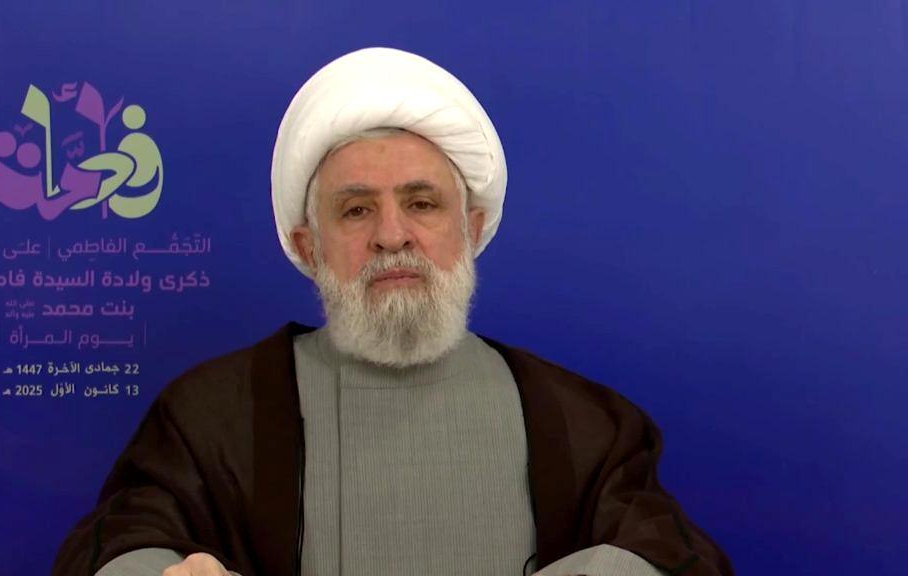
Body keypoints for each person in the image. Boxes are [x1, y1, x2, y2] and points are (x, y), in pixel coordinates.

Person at [52, 47, 733, 576]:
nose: (391, 235)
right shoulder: (210, 415)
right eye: (355, 210)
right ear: (308, 247)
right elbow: (122, 539)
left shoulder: (586, 423)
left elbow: (669, 552)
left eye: (421, 203)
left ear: (471, 227)